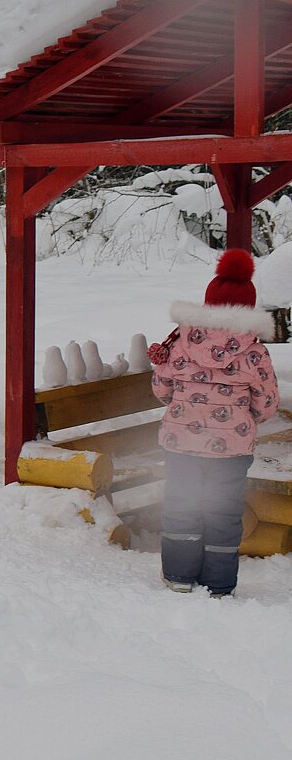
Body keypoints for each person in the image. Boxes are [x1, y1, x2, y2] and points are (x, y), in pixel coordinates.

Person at [150, 249, 278, 597]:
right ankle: (219, 585)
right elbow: (266, 404)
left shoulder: (179, 342)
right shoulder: (255, 352)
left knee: (181, 506)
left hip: (181, 445)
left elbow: (161, 389)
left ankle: (178, 575)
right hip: (232, 450)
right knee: (223, 513)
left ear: (208, 303)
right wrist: (244, 417)